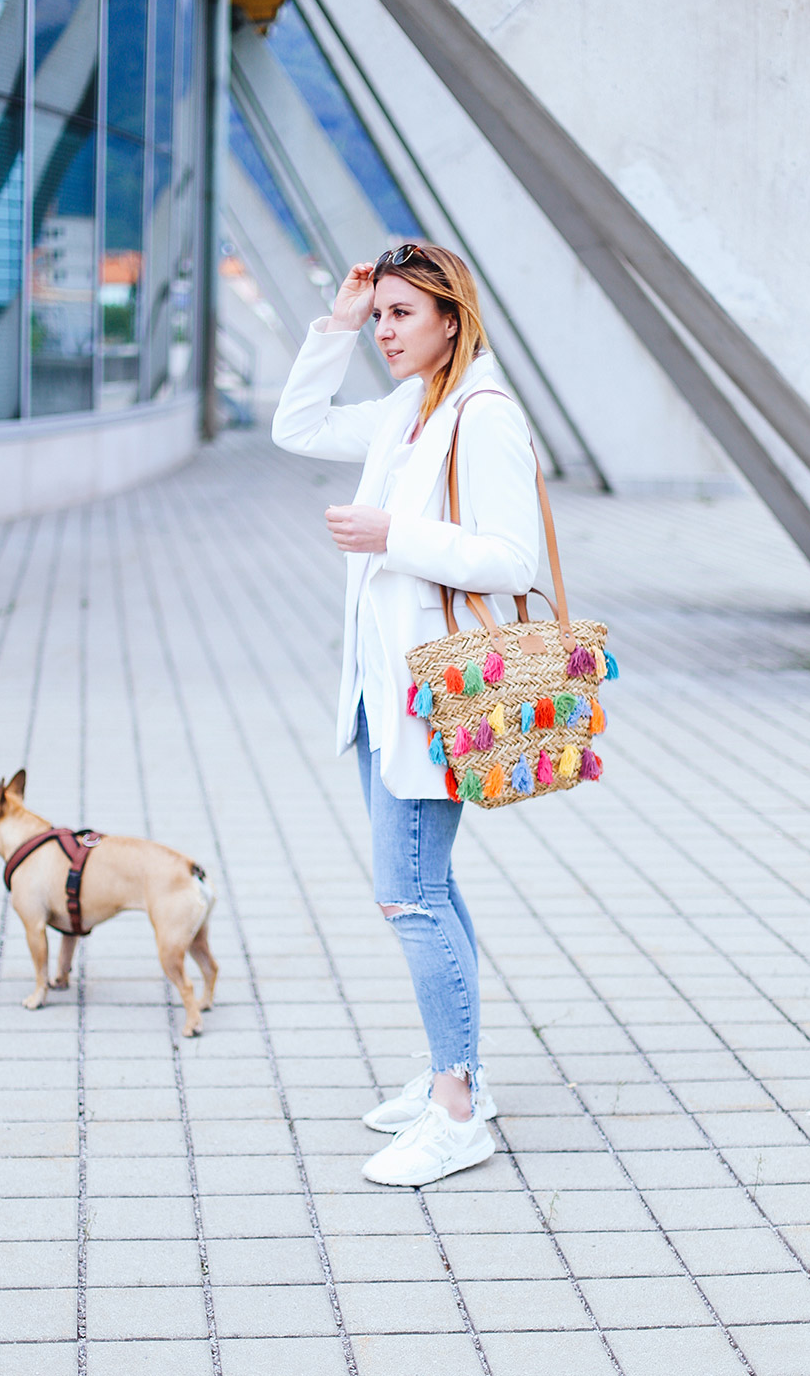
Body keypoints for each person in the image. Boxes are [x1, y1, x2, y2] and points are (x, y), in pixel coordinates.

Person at [272, 244, 539, 1186]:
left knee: (408, 893)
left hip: (439, 695)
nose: (385, 332)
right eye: (378, 315)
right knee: (430, 885)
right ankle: (452, 1074)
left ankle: (457, 1110)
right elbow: (296, 429)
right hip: (383, 693)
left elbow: (515, 559)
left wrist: (397, 536)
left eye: (400, 316)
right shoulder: (411, 407)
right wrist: (333, 325)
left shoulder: (484, 417)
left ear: (451, 320)